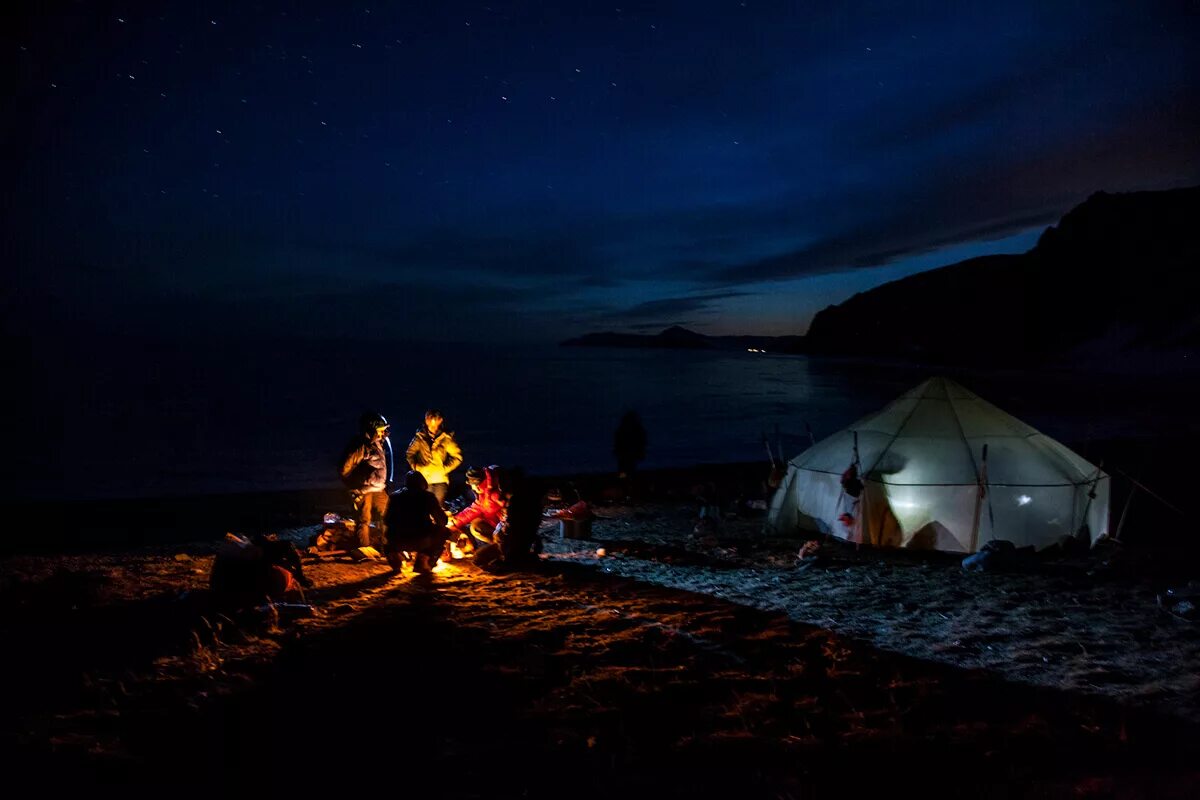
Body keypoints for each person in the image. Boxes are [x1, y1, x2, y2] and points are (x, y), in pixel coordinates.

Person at [340, 412, 394, 548]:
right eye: (380, 430)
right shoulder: (361, 446)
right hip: (363, 489)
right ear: (371, 429)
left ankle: (390, 547)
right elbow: (344, 469)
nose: (383, 433)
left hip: (378, 488)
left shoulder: (377, 443)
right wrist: (355, 486)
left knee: (388, 515)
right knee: (364, 519)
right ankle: (363, 549)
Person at [383, 471, 451, 574]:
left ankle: (395, 557)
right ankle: (423, 560)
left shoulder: (394, 496)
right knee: (443, 531)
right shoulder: (427, 496)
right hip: (420, 539)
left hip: (396, 540)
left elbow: (386, 520)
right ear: (423, 483)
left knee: (389, 533)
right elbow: (442, 521)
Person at [405, 409, 463, 509]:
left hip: (440, 481)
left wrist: (444, 469)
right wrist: (416, 468)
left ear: (440, 422)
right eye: (431, 424)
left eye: (436, 424)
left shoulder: (446, 438)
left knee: (438, 507)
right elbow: (409, 454)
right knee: (423, 507)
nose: (434, 428)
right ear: (427, 422)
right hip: (423, 480)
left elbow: (458, 457)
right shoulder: (420, 437)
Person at [447, 465, 506, 553]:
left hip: (504, 525)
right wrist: (454, 521)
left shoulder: (495, 493)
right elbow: (475, 508)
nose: (472, 488)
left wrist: (501, 529)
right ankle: (497, 547)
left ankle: (502, 549)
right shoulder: (484, 492)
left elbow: (510, 512)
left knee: (477, 528)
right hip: (495, 521)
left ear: (478, 485)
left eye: (472, 485)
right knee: (475, 526)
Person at [613, 410, 647, 479]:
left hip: (629, 455)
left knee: (628, 469)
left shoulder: (625, 430)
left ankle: (626, 480)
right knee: (625, 470)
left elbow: (642, 441)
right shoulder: (623, 430)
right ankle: (625, 480)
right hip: (626, 455)